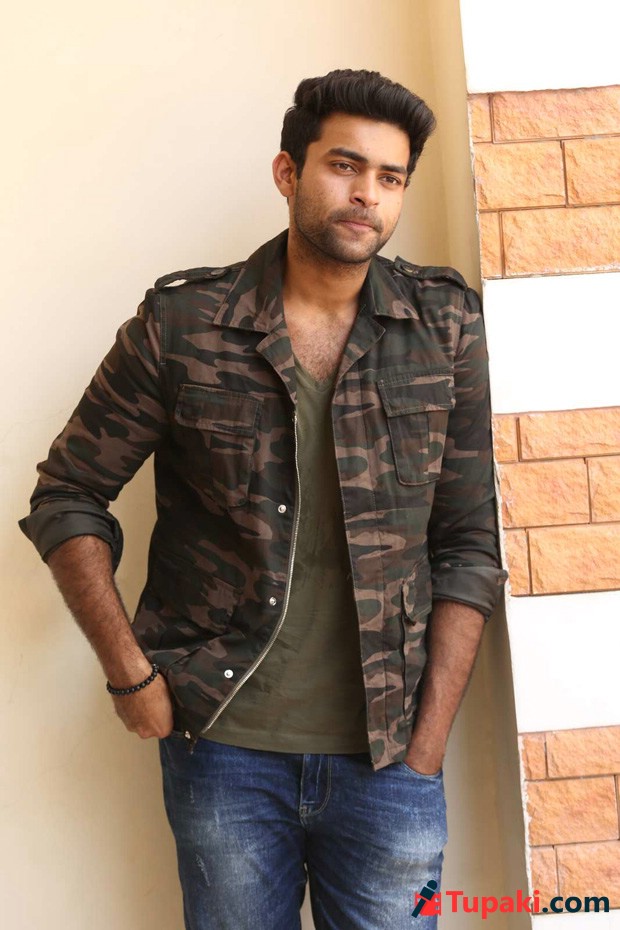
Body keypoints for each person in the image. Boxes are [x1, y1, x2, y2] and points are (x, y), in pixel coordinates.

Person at [20, 69, 506, 929]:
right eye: (344, 166)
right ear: (288, 172)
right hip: (224, 748)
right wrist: (130, 675)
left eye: (390, 177)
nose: (367, 195)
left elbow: (468, 542)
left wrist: (426, 746)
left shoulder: (444, 328)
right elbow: (69, 491)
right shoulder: (184, 325)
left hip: (391, 756)